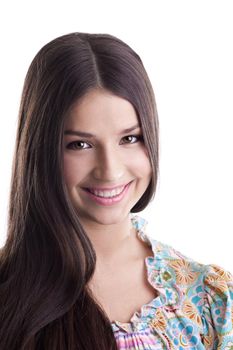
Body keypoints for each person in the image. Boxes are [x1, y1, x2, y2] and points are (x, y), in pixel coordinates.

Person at [0, 32, 232, 350]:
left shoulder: (209, 300)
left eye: (129, 139)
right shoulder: (8, 294)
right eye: (80, 144)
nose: (109, 170)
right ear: (40, 151)